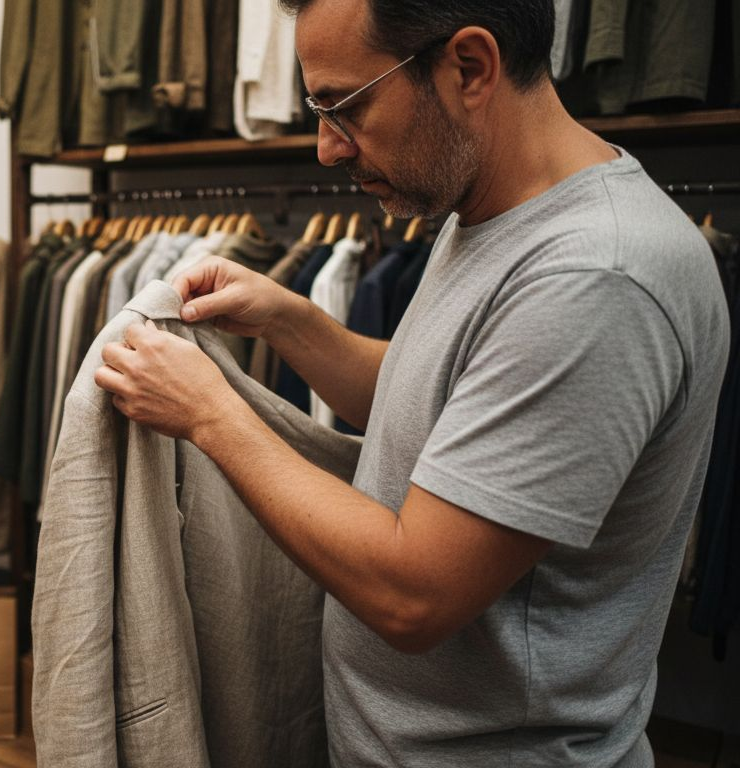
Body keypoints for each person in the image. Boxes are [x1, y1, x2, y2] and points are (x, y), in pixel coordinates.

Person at [92, 0, 732, 764]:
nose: (327, 148)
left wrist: (210, 415)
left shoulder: (595, 278)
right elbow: (437, 409)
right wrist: (290, 319)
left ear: (469, 67)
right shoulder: (493, 210)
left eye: (345, 106)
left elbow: (415, 594)